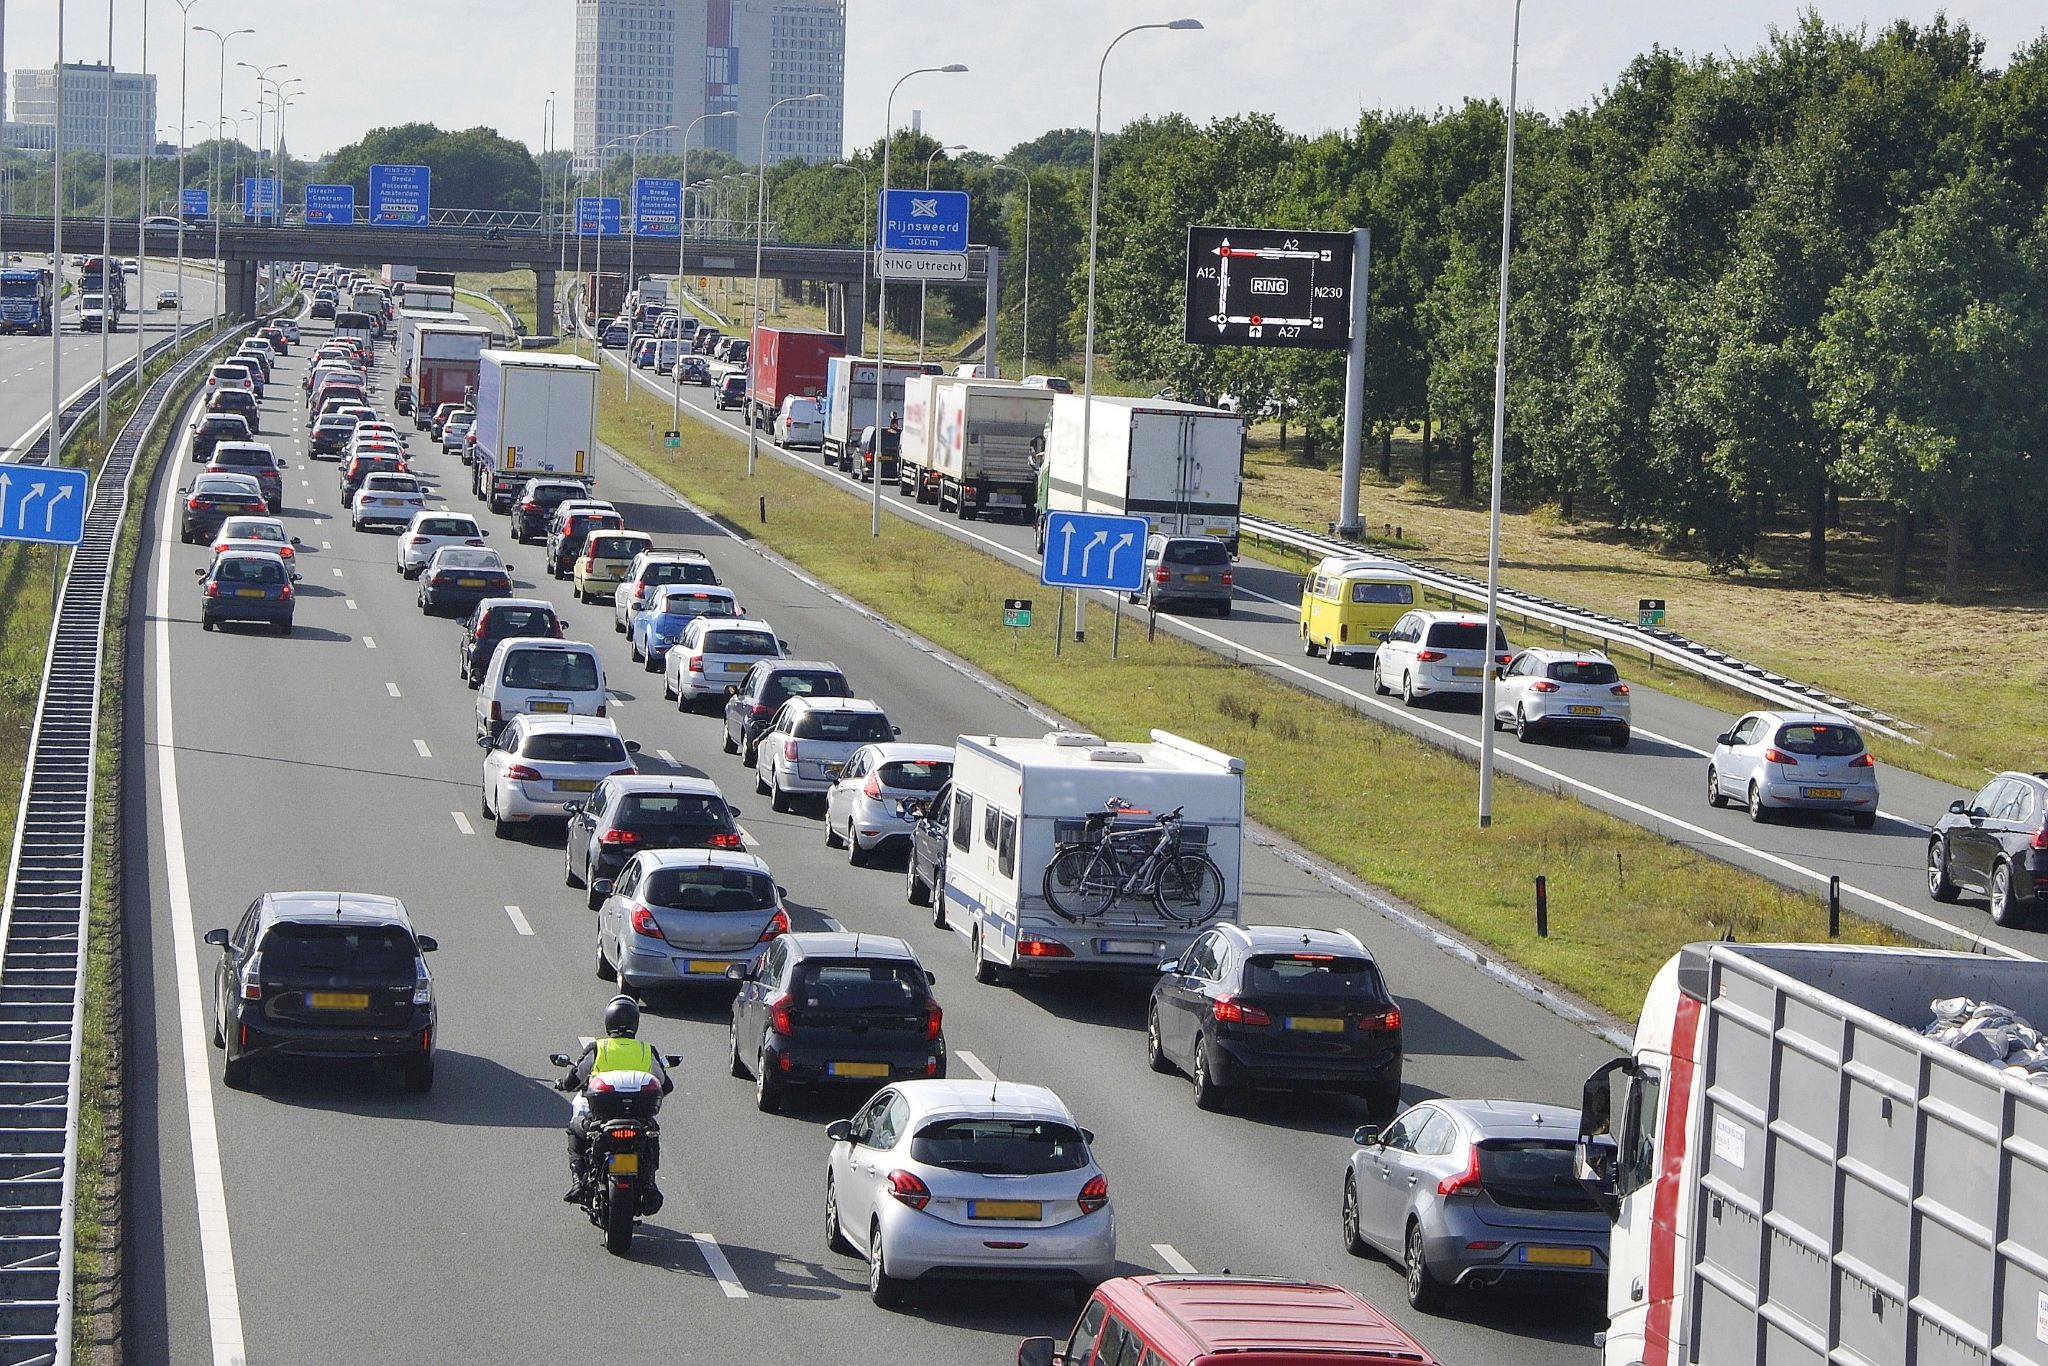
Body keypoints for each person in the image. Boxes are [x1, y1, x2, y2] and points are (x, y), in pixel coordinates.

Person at [558, 994, 675, 1206]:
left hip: (599, 1118)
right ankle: (649, 1183)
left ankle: (579, 1182)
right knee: (651, 1138)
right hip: (638, 1119)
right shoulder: (645, 1050)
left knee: (575, 1130)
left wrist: (562, 1083)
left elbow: (574, 1079)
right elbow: (665, 1085)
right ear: (635, 1023)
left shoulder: (598, 1048)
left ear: (608, 1021)